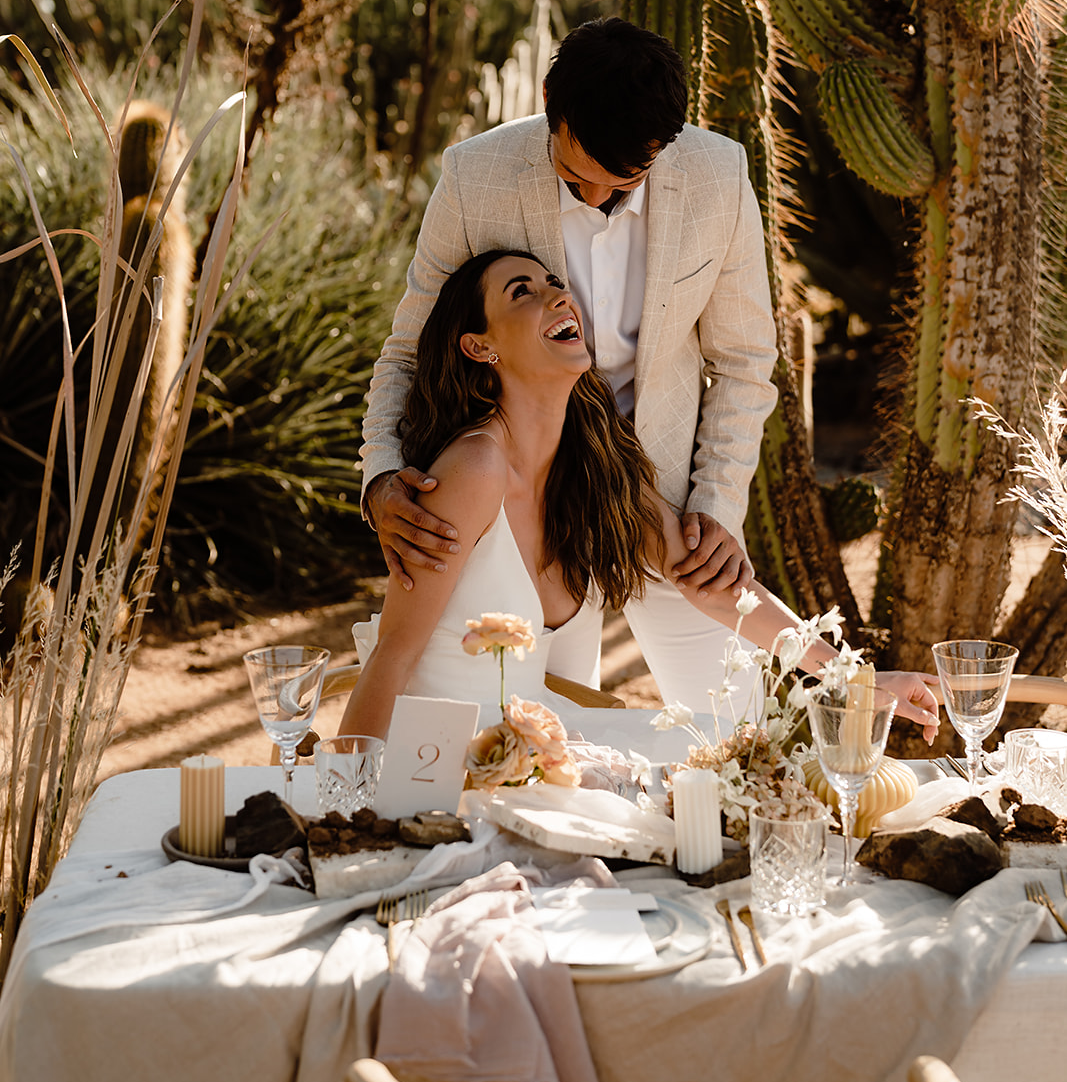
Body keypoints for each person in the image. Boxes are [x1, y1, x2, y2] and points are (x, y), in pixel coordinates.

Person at [340, 251, 940, 743]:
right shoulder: (473, 468)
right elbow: (394, 654)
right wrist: (346, 809)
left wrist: (856, 679)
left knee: (712, 758)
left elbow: (717, 587)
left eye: (554, 283)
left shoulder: (596, 467)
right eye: (521, 292)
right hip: (431, 756)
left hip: (529, 745)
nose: (556, 296)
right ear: (480, 347)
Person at [359, 17, 779, 709]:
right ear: (550, 100)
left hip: (667, 503)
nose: (593, 198)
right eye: (572, 174)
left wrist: (716, 507)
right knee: (547, 741)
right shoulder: (475, 175)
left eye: (620, 180)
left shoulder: (718, 175)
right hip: (531, 501)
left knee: (738, 729)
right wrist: (379, 476)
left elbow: (741, 363)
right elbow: (407, 349)